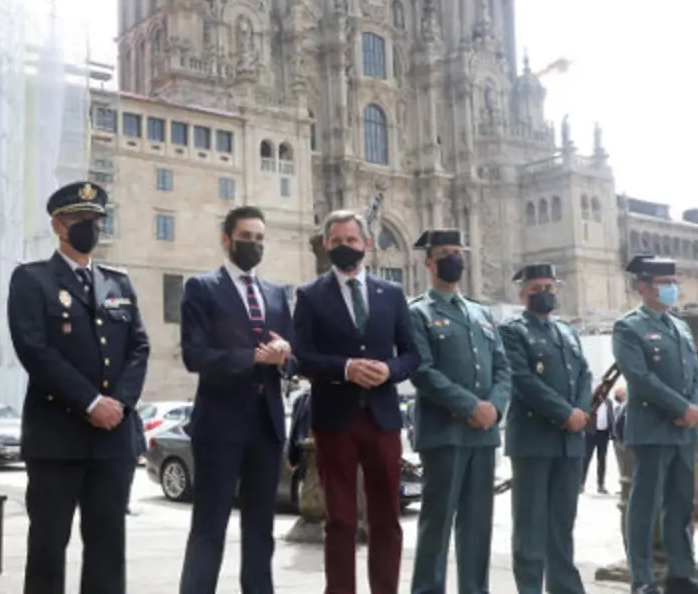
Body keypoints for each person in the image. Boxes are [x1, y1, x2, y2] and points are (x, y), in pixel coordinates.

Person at [7, 180, 149, 594]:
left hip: (112, 439)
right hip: (57, 438)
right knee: (49, 547)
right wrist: (90, 402)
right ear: (58, 224)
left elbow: (139, 348)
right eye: (80, 220)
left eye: (95, 220)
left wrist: (118, 404)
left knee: (107, 548)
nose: (90, 227)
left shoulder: (117, 283)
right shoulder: (32, 280)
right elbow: (35, 350)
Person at [293, 209, 421, 594]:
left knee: (386, 519)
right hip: (335, 420)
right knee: (341, 521)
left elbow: (412, 355)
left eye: (352, 240)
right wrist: (345, 368)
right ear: (327, 245)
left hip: (382, 418)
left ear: (367, 244)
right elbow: (301, 357)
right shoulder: (310, 295)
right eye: (337, 241)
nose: (345, 247)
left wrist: (390, 370)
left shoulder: (393, 295)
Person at [178, 205, 295, 594]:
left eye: (260, 238)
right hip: (219, 425)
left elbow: (290, 358)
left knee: (261, 530)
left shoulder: (277, 294)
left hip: (267, 425)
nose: (254, 245)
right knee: (210, 526)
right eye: (247, 237)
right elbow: (195, 356)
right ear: (227, 240)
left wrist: (283, 354)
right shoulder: (202, 288)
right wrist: (252, 357)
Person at [406, 228, 511, 594]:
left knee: (478, 525)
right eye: (446, 253)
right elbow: (421, 370)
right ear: (429, 263)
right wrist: (469, 406)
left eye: (458, 251)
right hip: (444, 433)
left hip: (483, 435)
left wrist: (494, 408)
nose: (454, 258)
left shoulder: (481, 313)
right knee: (437, 524)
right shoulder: (418, 312)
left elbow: (502, 367)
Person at [613, 255, 698, 594]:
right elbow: (640, 378)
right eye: (664, 283)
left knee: (681, 505)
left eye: (674, 281)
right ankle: (642, 578)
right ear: (644, 288)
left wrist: (694, 407)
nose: (672, 288)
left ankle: (681, 574)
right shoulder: (629, 327)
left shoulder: (681, 327)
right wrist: (678, 407)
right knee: (645, 507)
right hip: (652, 429)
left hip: (683, 431)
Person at [499, 263, 591, 594]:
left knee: (563, 523)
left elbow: (584, 374)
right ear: (523, 294)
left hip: (570, 441)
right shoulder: (512, 331)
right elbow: (522, 381)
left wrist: (580, 410)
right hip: (533, 440)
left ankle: (565, 587)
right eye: (537, 289)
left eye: (550, 288)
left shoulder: (567, 331)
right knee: (530, 524)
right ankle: (529, 588)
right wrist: (564, 413)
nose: (545, 294)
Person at [583, 371, 617, 494]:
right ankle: (581, 484)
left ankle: (601, 484)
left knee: (602, 459)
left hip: (603, 434)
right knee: (586, 458)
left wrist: (613, 432)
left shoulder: (608, 402)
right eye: (603, 388)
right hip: (591, 433)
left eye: (606, 389)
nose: (605, 391)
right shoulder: (592, 401)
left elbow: (611, 418)